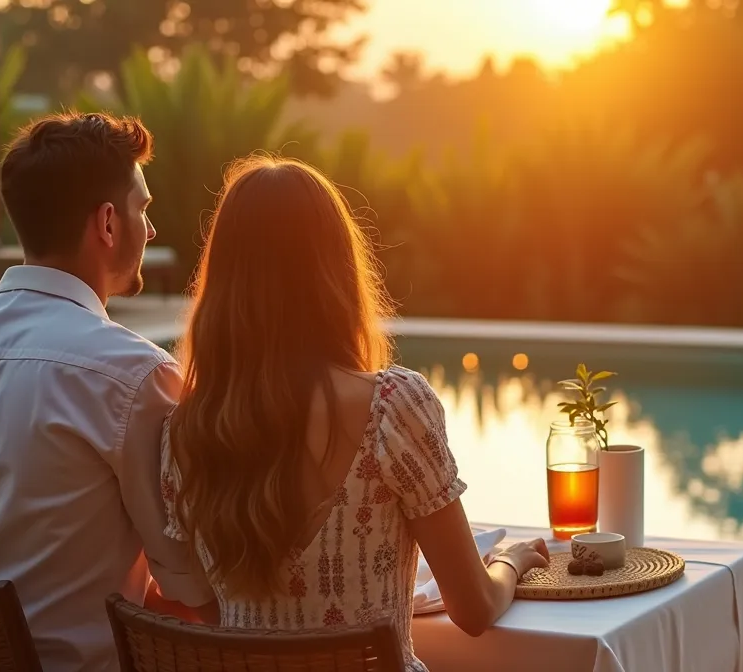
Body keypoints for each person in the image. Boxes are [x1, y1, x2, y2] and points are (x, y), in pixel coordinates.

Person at [163, 156, 551, 671]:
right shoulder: (392, 407)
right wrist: (510, 560)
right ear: (336, 270)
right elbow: (474, 609)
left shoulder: (187, 432)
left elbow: (205, 608)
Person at [0, 112, 216, 671]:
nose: (149, 230)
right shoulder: (133, 376)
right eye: (141, 209)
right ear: (107, 223)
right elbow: (189, 585)